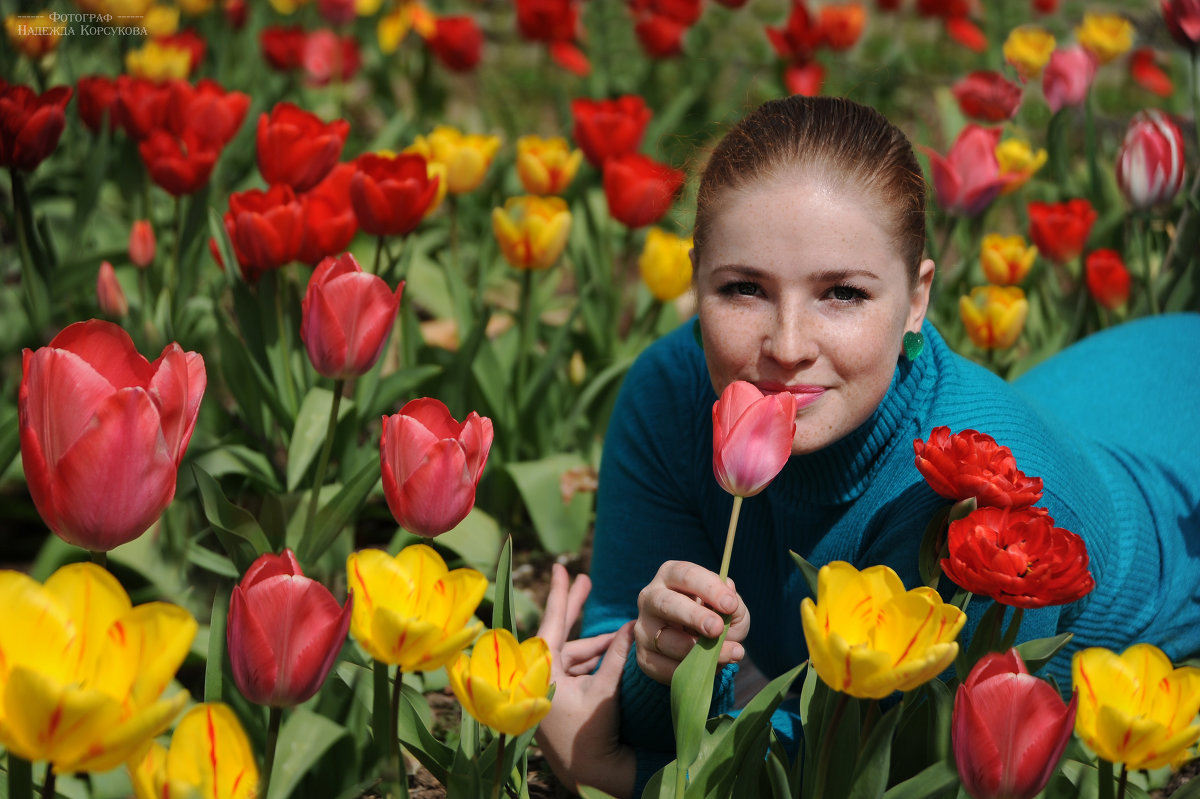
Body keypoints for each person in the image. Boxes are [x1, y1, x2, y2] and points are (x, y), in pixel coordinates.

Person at [534, 94, 1200, 797]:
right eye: (744, 288)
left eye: (843, 293)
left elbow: (873, 766)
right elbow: (620, 632)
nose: (787, 347)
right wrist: (656, 661)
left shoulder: (985, 514)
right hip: (1099, 389)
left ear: (917, 299)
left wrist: (615, 769)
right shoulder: (671, 394)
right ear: (698, 277)